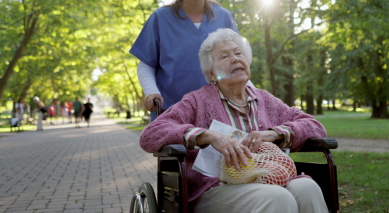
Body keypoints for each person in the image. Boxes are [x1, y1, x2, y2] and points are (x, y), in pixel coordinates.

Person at [140, 29, 328, 212]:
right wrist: (206, 135)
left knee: (307, 188)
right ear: (212, 74)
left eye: (239, 53)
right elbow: (151, 134)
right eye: (224, 56)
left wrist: (275, 133)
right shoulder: (197, 101)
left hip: (269, 178)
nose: (235, 58)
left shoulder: (266, 100)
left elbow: (315, 126)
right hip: (216, 188)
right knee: (278, 196)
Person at [130, 0, 240, 121]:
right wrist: (152, 93)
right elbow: (146, 65)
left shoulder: (224, 17)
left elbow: (238, 64)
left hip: (220, 112)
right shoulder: (160, 18)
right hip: (171, 112)